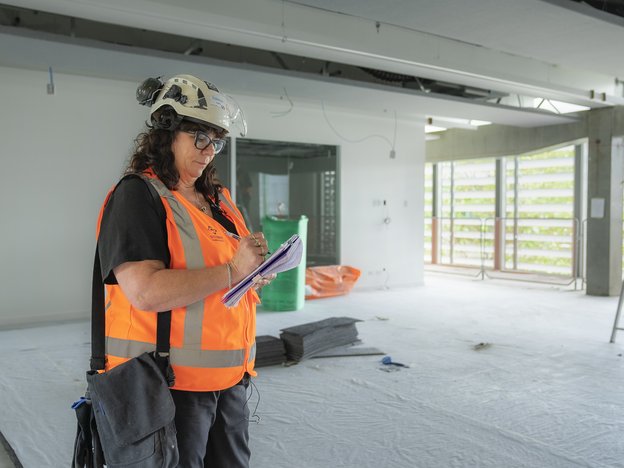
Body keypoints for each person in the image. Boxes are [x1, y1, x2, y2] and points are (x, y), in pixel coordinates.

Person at [96, 74, 272, 467]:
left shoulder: (219, 201)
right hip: (169, 384)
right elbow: (144, 292)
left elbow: (230, 271)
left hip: (230, 379)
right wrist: (232, 270)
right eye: (199, 137)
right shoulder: (138, 196)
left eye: (217, 140)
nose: (210, 150)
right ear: (166, 132)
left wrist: (253, 272)